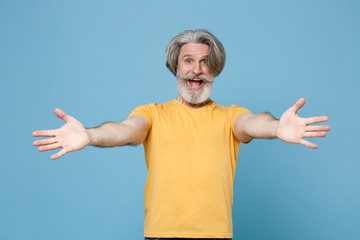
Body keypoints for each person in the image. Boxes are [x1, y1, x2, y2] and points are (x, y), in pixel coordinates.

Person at [32, 29, 330, 240]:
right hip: (161, 235)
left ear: (215, 70)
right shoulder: (152, 114)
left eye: (205, 62)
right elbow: (124, 130)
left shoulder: (230, 116)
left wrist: (277, 128)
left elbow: (254, 123)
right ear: (176, 66)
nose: (196, 70)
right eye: (188, 60)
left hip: (216, 236)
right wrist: (90, 134)